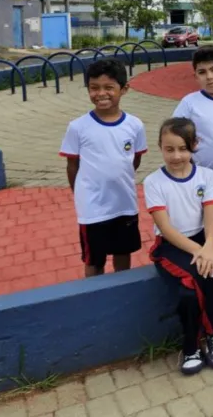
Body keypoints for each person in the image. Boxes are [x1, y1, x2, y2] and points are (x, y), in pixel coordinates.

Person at [144, 118, 213, 375]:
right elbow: (166, 228)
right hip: (173, 245)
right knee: (189, 291)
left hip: (204, 239)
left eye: (183, 148)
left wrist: (210, 246)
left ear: (194, 146)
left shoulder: (206, 176)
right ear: (160, 147)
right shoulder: (153, 182)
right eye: (169, 149)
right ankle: (191, 346)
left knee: (210, 273)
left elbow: (210, 217)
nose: (177, 156)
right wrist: (199, 251)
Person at [60, 58, 147, 278]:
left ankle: (121, 289)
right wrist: (82, 193)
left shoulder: (135, 125)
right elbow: (72, 166)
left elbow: (134, 160)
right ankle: (94, 295)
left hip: (124, 203)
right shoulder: (78, 127)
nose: (101, 93)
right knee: (94, 260)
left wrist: (119, 179)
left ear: (124, 89)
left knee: (122, 253)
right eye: (94, 88)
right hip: (92, 208)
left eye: (109, 87)